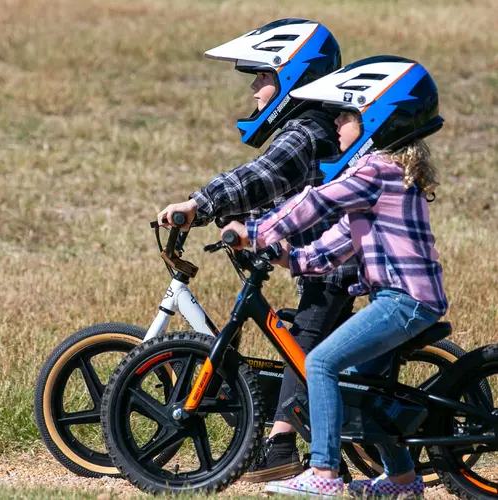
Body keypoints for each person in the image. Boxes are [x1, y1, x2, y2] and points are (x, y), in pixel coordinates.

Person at [223, 55, 448, 498]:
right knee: (359, 389)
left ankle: (323, 472)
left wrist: (254, 230)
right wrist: (295, 257)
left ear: (376, 120)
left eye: (346, 114)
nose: (338, 124)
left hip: (403, 301)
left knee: (321, 363)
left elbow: (316, 203)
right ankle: (402, 481)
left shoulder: (374, 170)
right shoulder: (385, 176)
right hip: (407, 300)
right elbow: (339, 239)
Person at [158, 19, 359, 482]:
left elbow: (260, 178)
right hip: (327, 256)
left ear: (294, 77)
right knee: (308, 336)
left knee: (303, 339)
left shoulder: (305, 131)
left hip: (332, 264)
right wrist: (247, 229)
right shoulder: (313, 128)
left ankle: (282, 444)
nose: (253, 89)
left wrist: (199, 204)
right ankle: (325, 434)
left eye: (263, 76)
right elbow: (285, 199)